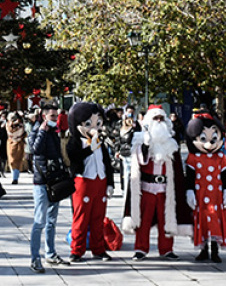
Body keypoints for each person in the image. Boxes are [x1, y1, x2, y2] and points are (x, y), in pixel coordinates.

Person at [122, 106, 191, 260]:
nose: (159, 121)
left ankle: (166, 249)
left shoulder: (171, 143)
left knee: (166, 219)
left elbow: (177, 168)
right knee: (143, 220)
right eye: (156, 118)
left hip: (165, 189)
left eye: (161, 118)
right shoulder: (140, 139)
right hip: (146, 188)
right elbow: (139, 160)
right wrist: (146, 145)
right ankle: (141, 248)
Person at [66, 101, 115, 262]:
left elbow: (107, 163)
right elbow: (74, 159)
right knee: (81, 218)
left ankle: (98, 249)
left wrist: (110, 183)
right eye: (88, 124)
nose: (94, 127)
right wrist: (89, 149)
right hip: (83, 182)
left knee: (98, 218)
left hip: (100, 181)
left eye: (97, 123)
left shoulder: (101, 143)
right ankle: (77, 250)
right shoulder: (74, 142)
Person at [185, 113, 226, 262]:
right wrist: (189, 190)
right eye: (204, 139)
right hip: (200, 195)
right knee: (202, 221)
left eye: (214, 138)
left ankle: (215, 249)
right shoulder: (193, 158)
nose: (210, 143)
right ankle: (203, 249)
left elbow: (225, 176)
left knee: (215, 221)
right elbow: (190, 177)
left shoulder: (221, 158)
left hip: (217, 196)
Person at [29, 100, 68, 273]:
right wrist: (42, 132)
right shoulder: (37, 131)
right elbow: (35, 150)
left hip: (54, 181)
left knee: (52, 221)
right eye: (52, 116)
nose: (55, 119)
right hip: (41, 182)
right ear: (44, 116)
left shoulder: (54, 132)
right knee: (39, 222)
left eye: (56, 116)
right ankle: (35, 258)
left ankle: (50, 253)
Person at [6, 112, 28, 184]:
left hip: (18, 143)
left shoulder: (20, 125)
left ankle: (15, 177)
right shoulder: (10, 125)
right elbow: (10, 131)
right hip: (13, 143)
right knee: (12, 161)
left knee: (17, 160)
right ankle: (15, 177)